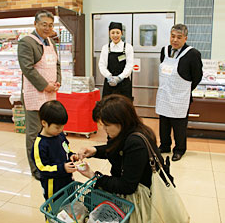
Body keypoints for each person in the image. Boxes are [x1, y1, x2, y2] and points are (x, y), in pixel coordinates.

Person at [77, 94, 168, 195]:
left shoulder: (136, 143)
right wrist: (94, 150)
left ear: (121, 121)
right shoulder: (126, 132)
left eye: (106, 125)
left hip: (142, 196)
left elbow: (126, 186)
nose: (104, 129)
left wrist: (93, 176)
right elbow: (116, 150)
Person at [18, 10, 61, 180]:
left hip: (50, 94)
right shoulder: (26, 42)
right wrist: (45, 85)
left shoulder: (51, 42)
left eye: (50, 25)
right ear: (35, 24)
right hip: (34, 94)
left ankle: (47, 160)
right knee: (34, 132)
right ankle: (36, 169)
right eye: (44, 24)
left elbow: (57, 64)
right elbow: (27, 68)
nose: (47, 28)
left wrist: (57, 81)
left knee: (48, 130)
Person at [156, 23, 203, 161]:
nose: (175, 40)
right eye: (172, 36)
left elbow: (197, 76)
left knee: (179, 126)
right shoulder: (164, 50)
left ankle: (179, 149)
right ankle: (165, 146)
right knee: (164, 123)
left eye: (179, 37)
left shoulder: (193, 54)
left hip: (180, 97)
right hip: (164, 95)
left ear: (185, 38)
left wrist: (184, 90)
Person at [31, 100, 77, 201]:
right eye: (57, 127)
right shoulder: (40, 144)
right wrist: (62, 168)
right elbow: (42, 168)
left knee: (69, 202)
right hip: (52, 185)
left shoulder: (59, 135)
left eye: (62, 126)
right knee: (54, 207)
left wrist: (71, 155)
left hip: (67, 179)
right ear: (44, 123)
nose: (60, 130)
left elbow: (66, 148)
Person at [99, 22, 134, 100]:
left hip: (124, 83)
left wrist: (119, 78)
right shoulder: (105, 48)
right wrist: (109, 77)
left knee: (124, 107)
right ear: (109, 34)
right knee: (108, 107)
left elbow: (129, 65)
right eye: (113, 33)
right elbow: (102, 65)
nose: (115, 35)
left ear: (121, 33)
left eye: (117, 33)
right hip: (109, 83)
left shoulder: (128, 47)